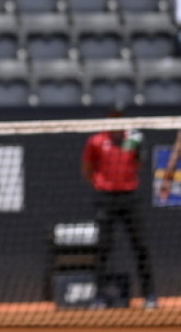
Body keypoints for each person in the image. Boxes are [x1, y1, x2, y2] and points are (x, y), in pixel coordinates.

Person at [82, 108, 157, 310]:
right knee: (103, 249)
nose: (116, 122)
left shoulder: (134, 139)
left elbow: (139, 163)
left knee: (140, 247)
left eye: (120, 118)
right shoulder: (96, 141)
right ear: (107, 120)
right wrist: (101, 184)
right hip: (106, 198)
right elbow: (88, 168)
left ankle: (149, 295)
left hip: (129, 198)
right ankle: (98, 297)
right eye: (112, 118)